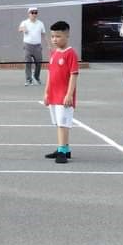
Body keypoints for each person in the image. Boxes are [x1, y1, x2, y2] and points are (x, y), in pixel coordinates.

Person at [43, 21, 79, 164]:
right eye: (52, 36)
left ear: (67, 35)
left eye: (58, 36)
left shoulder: (71, 54)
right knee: (58, 123)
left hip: (64, 96)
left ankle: (62, 151)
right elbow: (50, 74)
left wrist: (69, 94)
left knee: (63, 124)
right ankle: (64, 148)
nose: (54, 39)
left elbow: (73, 75)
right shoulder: (54, 53)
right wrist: (46, 92)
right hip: (54, 94)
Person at [18, 7, 47, 86]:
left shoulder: (40, 23)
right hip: (27, 45)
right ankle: (28, 79)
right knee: (28, 62)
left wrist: (48, 45)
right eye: (32, 12)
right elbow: (19, 29)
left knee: (39, 62)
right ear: (29, 13)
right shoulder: (24, 22)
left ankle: (36, 77)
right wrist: (23, 29)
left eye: (35, 12)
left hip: (37, 46)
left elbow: (44, 34)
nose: (34, 14)